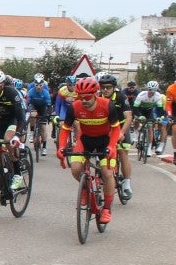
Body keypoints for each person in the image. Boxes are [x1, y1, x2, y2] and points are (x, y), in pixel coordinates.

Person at [57, 76, 123, 225]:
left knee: (107, 173)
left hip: (105, 141)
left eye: (87, 97)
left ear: (95, 94)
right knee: (75, 169)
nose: (84, 101)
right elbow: (65, 129)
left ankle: (106, 209)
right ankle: (86, 187)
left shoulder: (107, 105)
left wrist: (111, 147)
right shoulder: (75, 107)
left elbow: (116, 129)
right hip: (85, 140)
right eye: (81, 97)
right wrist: (61, 147)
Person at [97, 72, 132, 199]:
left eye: (108, 87)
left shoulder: (121, 97)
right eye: (103, 87)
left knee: (122, 152)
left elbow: (128, 117)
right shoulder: (97, 97)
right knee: (100, 153)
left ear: (114, 87)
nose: (105, 90)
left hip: (121, 127)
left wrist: (121, 133)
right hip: (106, 128)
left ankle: (127, 184)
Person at [132, 80, 166, 155]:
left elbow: (160, 109)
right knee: (137, 119)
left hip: (149, 111)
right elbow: (135, 108)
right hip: (139, 109)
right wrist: (139, 116)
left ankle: (149, 148)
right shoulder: (142, 95)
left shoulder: (158, 96)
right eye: (150, 90)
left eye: (154, 90)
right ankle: (136, 133)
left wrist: (160, 117)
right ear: (147, 89)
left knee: (150, 127)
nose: (151, 92)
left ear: (156, 90)